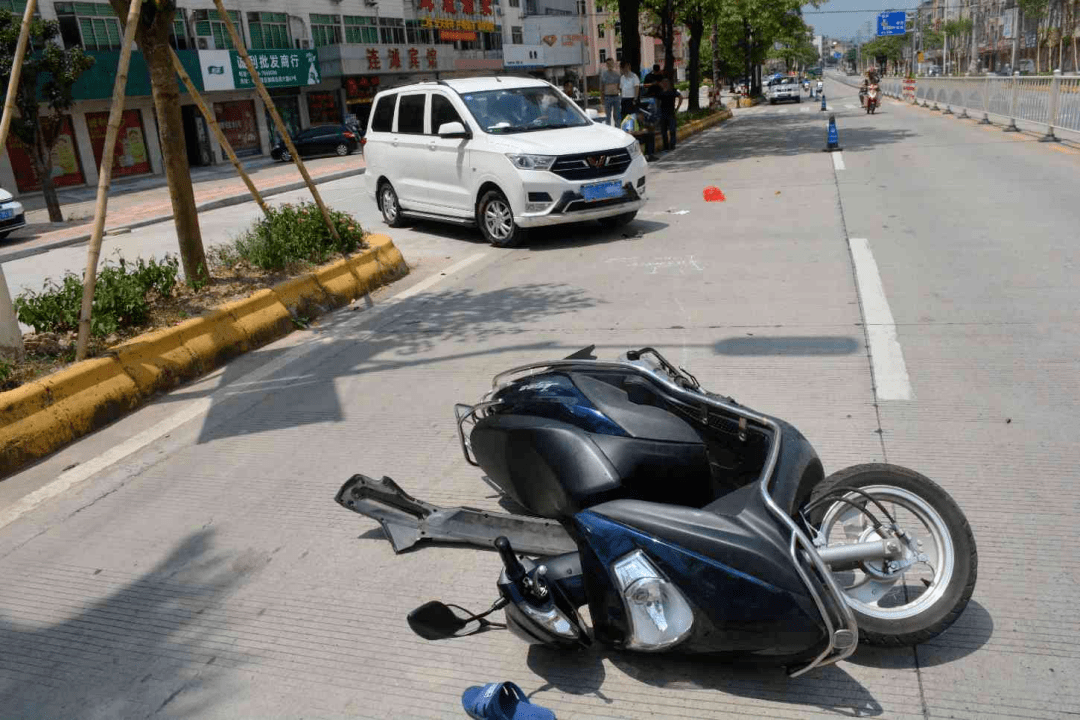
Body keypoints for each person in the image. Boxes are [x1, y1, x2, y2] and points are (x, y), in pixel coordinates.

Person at [657, 76, 682, 152]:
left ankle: (672, 144)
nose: (665, 84)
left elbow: (680, 97)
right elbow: (657, 101)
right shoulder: (660, 92)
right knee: (663, 131)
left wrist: (677, 108)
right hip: (663, 113)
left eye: (666, 83)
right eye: (663, 83)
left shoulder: (672, 91)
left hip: (671, 113)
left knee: (672, 130)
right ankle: (665, 146)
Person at [600, 58, 621, 126]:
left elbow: (619, 86)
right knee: (607, 116)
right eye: (608, 64)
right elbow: (602, 88)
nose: (610, 65)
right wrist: (602, 99)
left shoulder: (617, 74)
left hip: (616, 97)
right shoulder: (604, 74)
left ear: (613, 64)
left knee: (617, 115)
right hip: (607, 97)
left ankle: (618, 128)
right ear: (606, 64)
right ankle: (608, 130)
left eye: (611, 63)